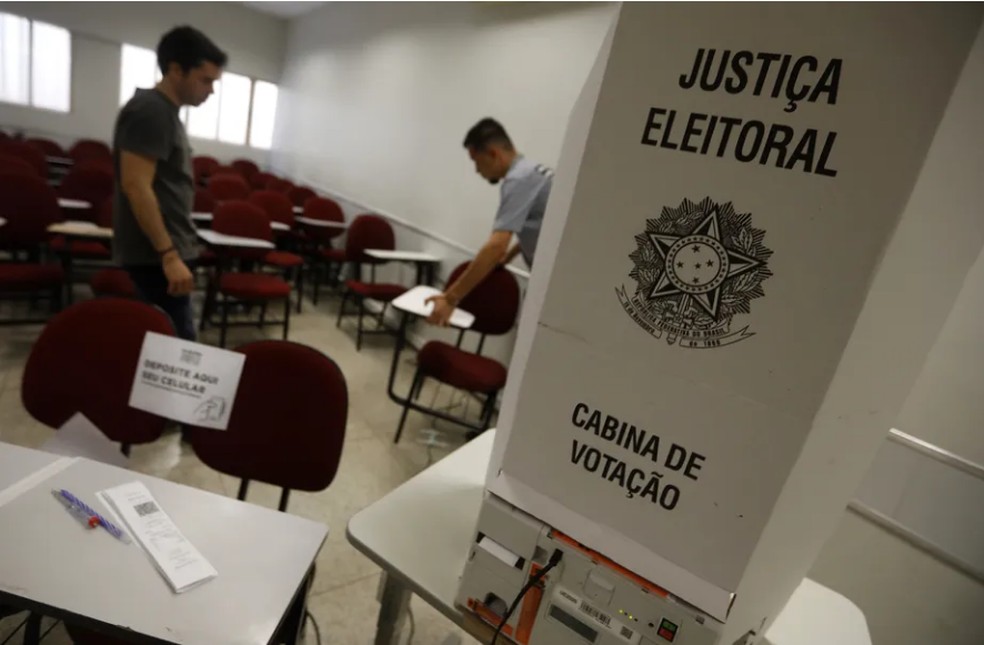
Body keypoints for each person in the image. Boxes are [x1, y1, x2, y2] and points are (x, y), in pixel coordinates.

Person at [113, 26, 226, 340]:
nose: (211, 91)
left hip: (164, 255)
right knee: (173, 352)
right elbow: (136, 186)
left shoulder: (166, 113)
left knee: (170, 347)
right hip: (156, 258)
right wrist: (169, 255)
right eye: (205, 80)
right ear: (176, 69)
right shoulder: (151, 111)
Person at [426, 118, 553, 326]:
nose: (477, 170)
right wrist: (506, 258)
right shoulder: (534, 172)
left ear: (493, 154)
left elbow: (495, 246)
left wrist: (450, 298)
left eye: (476, 161)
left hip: (556, 285)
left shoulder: (518, 180)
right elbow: (540, 228)